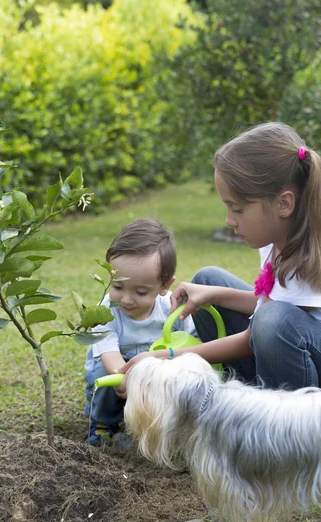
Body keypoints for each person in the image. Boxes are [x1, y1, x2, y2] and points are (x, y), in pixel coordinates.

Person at [117, 122, 321, 390]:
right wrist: (214, 294)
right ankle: (249, 393)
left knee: (271, 322)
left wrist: (162, 358)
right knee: (208, 280)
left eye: (237, 209)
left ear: (284, 204)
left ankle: (290, 421)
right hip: (295, 337)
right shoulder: (276, 240)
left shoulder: (309, 254)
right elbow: (277, 305)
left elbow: (267, 326)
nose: (229, 221)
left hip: (307, 371)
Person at [84, 218, 196, 445]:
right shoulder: (106, 310)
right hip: (118, 370)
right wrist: (126, 376)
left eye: (141, 292)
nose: (126, 299)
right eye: (117, 286)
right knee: (102, 376)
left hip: (154, 370)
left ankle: (159, 424)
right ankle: (104, 420)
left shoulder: (172, 309)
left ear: (165, 286)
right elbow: (109, 354)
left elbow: (191, 343)